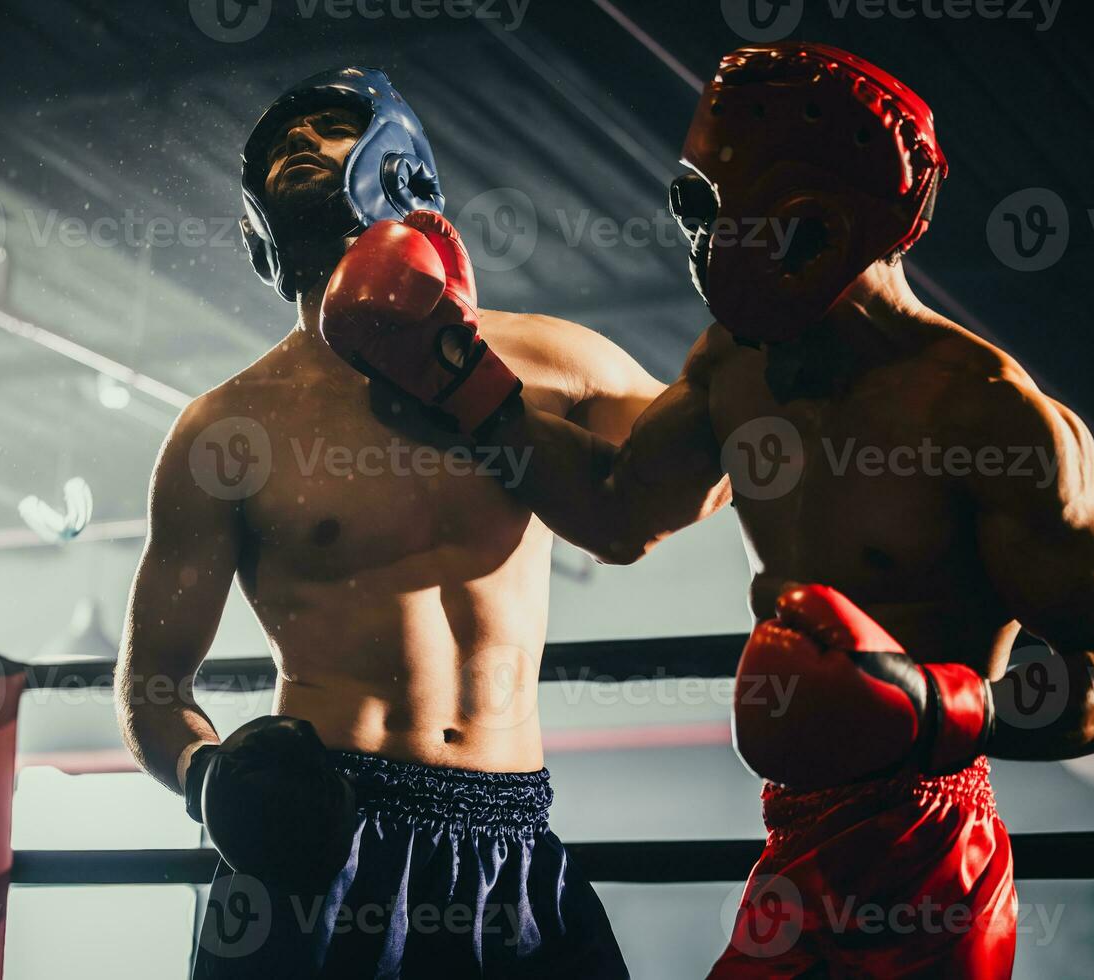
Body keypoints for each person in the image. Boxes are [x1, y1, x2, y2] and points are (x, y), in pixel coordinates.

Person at [323, 45, 1094, 977]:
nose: (714, 243)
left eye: (748, 216)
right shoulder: (734, 366)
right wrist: (464, 386)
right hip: (796, 834)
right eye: (700, 207)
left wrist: (936, 710)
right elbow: (615, 512)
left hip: (929, 840)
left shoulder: (991, 414)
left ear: (825, 226)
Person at [114, 66, 658, 978]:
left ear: (400, 167)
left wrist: (489, 397)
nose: (296, 143)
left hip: (512, 837)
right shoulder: (227, 428)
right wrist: (212, 780)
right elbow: (151, 687)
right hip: (323, 831)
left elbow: (676, 491)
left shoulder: (552, 362)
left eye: (328, 125)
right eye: (277, 142)